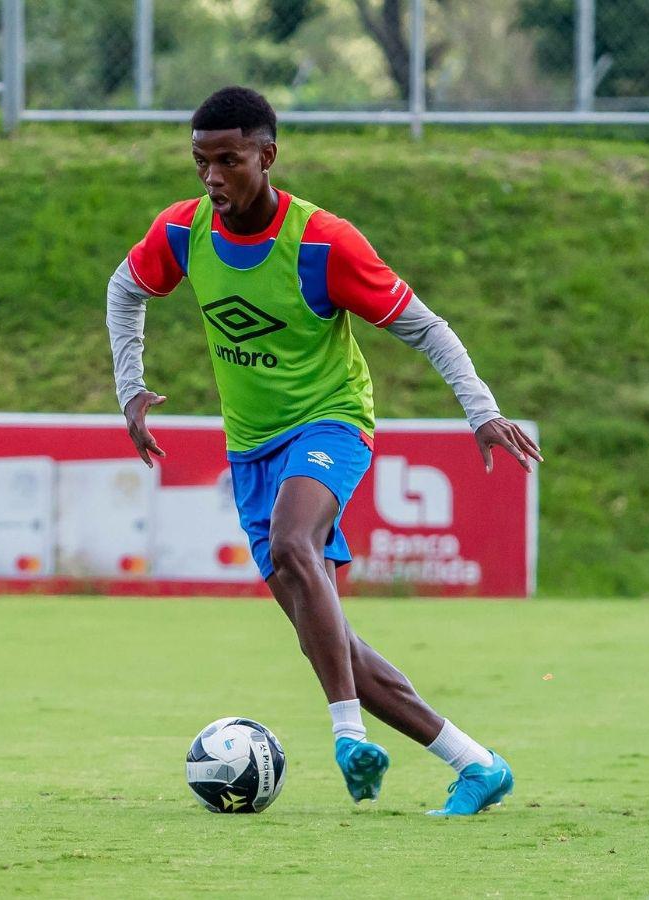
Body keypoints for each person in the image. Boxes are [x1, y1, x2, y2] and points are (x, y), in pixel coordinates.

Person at [107, 86, 542, 816]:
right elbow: (125, 289)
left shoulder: (322, 243)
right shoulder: (183, 231)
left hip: (330, 423)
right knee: (328, 638)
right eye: (200, 161)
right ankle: (477, 764)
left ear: (267, 156)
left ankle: (347, 736)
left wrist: (482, 411)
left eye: (228, 160)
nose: (212, 177)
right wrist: (130, 389)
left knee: (293, 543)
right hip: (250, 450)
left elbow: (427, 327)